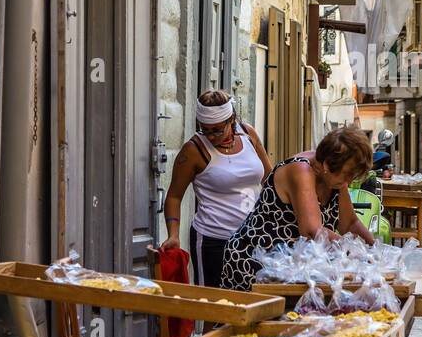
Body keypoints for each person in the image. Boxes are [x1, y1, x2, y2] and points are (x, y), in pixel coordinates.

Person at [220, 126, 376, 290]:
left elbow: (349, 224)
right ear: (327, 165)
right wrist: (356, 251)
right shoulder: (300, 170)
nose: (348, 182)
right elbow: (312, 231)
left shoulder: (335, 177)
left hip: (288, 270)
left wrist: (376, 251)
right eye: (347, 174)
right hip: (254, 264)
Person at [159, 90, 272, 288]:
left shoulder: (248, 134)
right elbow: (174, 197)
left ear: (232, 119)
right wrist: (173, 234)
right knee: (215, 304)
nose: (211, 136)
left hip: (253, 238)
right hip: (213, 240)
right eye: (206, 129)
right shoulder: (193, 151)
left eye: (218, 130)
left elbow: (270, 181)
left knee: (253, 300)